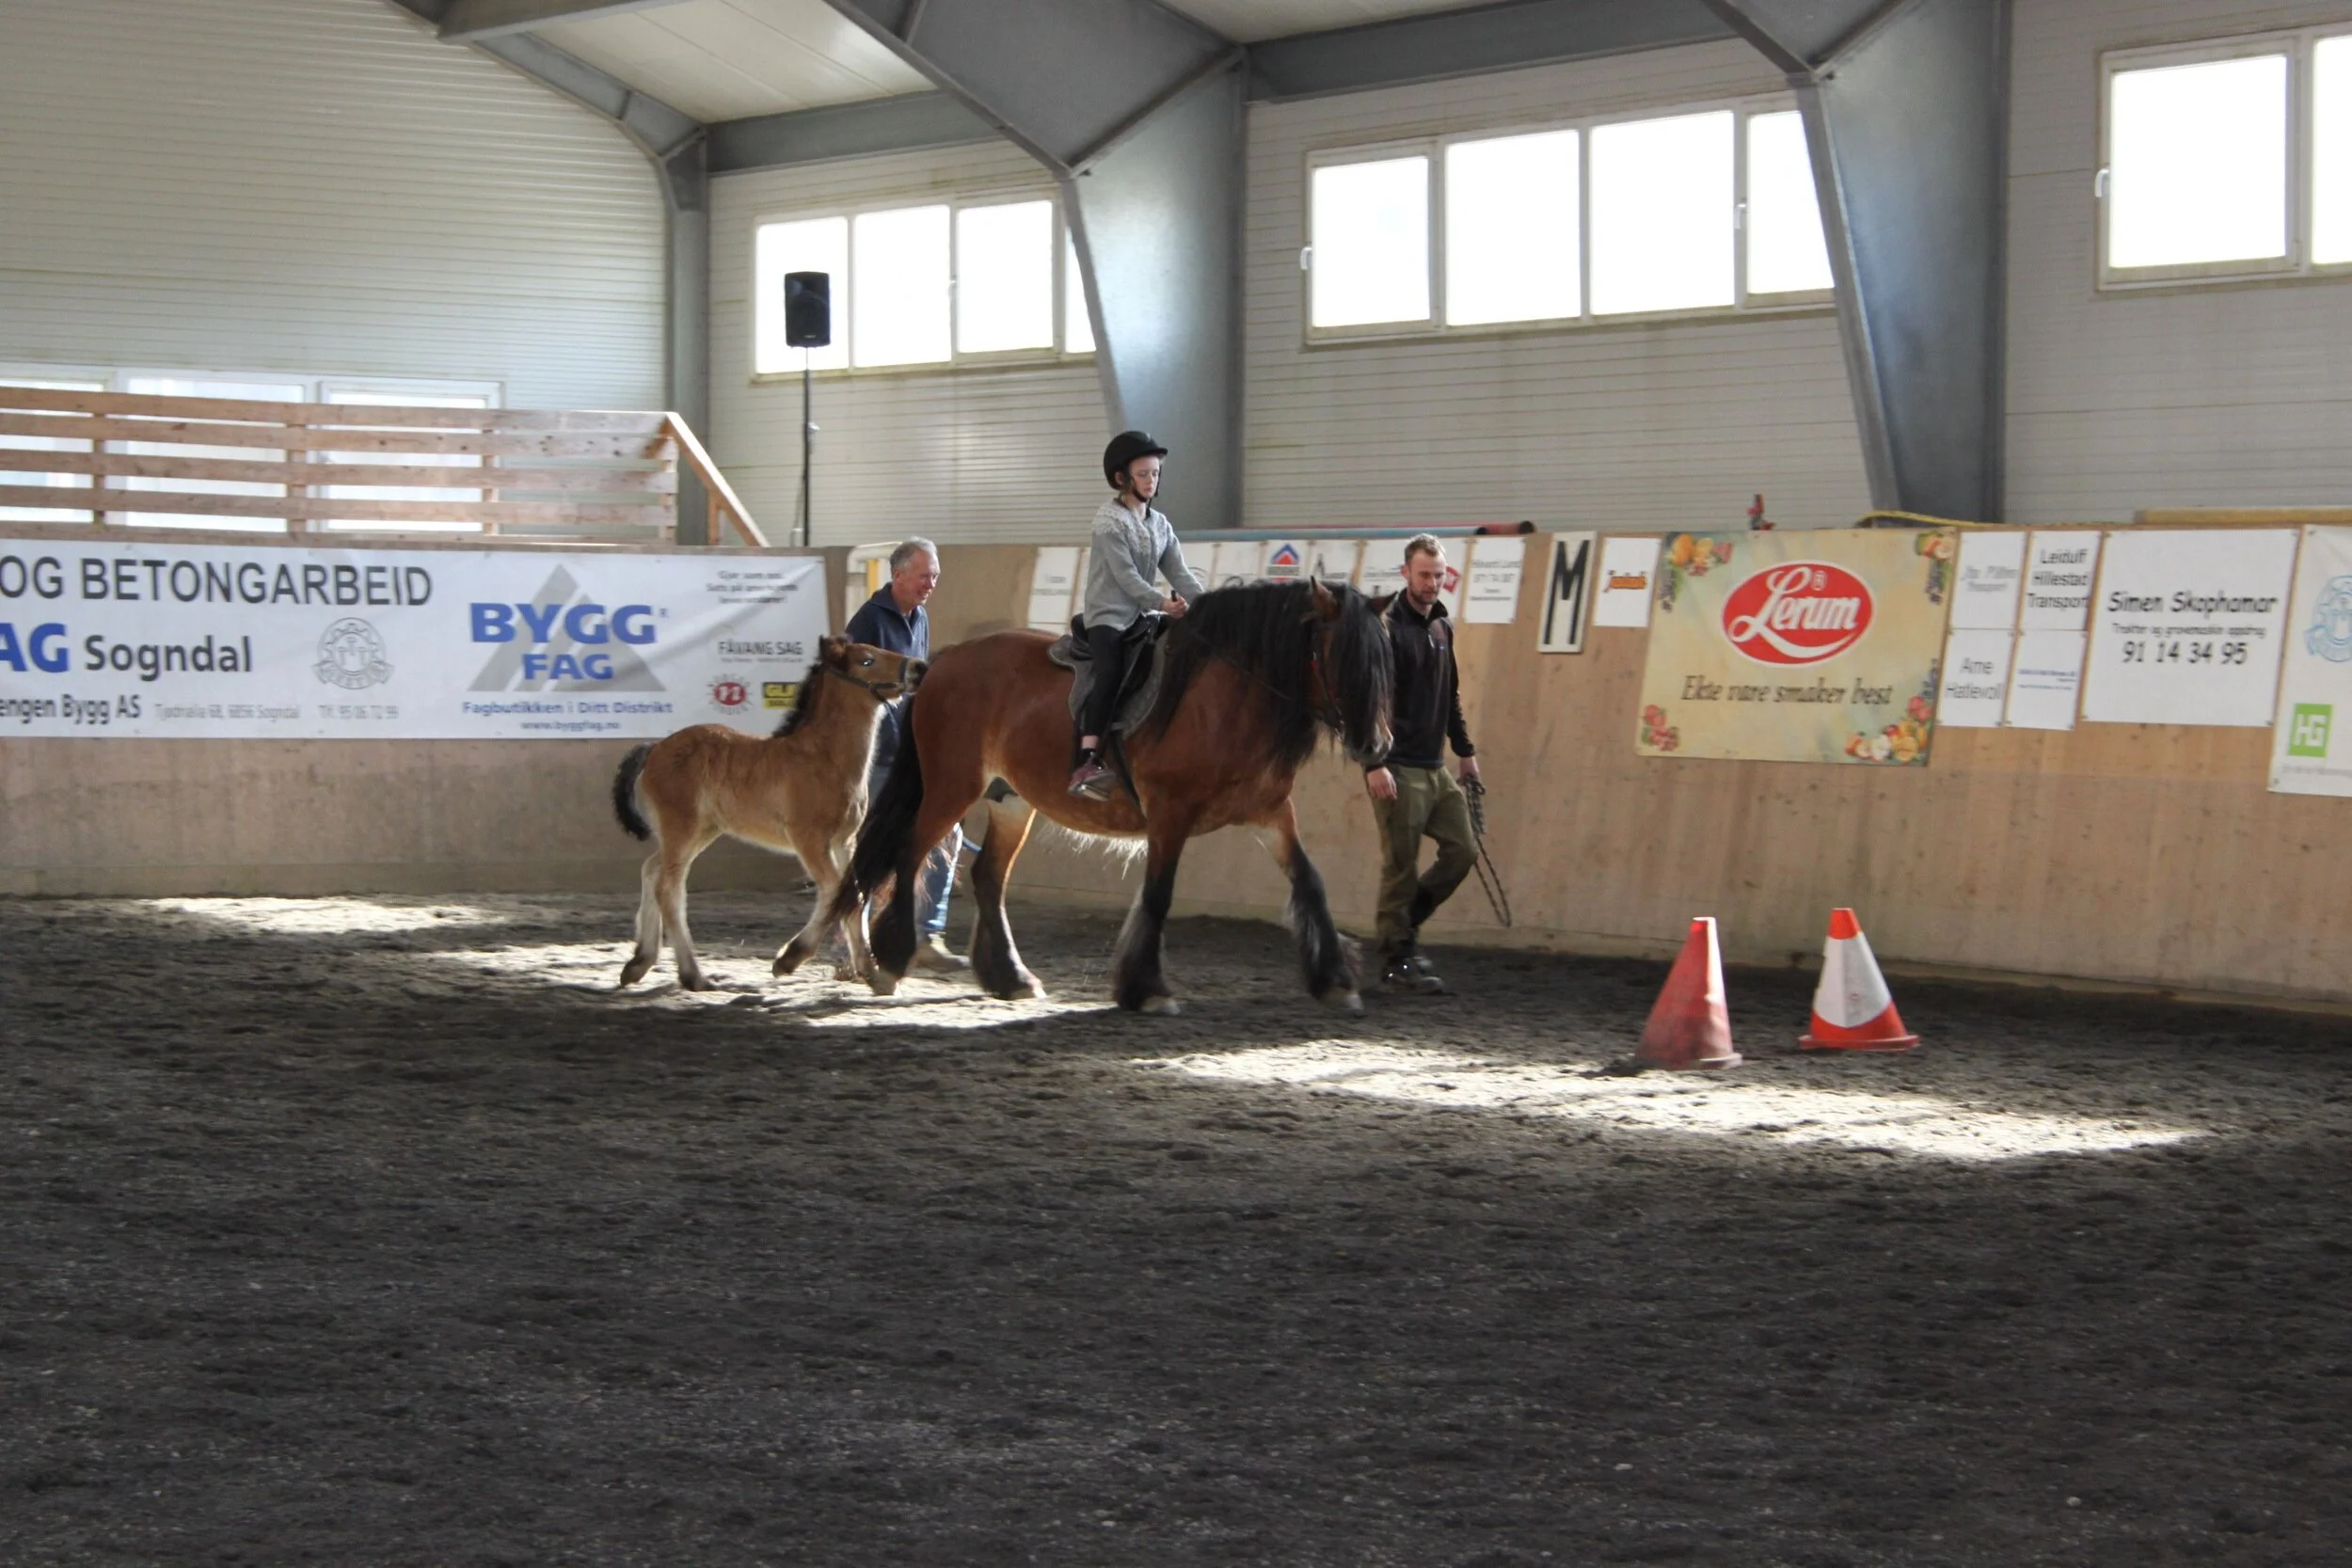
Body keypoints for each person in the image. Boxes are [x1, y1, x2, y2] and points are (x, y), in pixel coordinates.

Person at [1365, 534, 1481, 994]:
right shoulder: (1387, 629)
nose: (1432, 583)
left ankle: (1404, 928)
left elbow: (1449, 695)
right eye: (1424, 575)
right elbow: (1370, 703)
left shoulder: (1441, 627)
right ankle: (1396, 959)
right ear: (1406, 574)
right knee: (1401, 865)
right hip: (1397, 765)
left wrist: (1465, 753)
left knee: (1463, 850)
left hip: (1435, 767)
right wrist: (1374, 764)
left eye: (1438, 575)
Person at [844, 537, 965, 971]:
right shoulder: (868, 623)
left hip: (909, 753)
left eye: (934, 576)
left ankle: (926, 933)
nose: (931, 583)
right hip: (878, 757)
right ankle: (864, 944)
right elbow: (854, 693)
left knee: (946, 833)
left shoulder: (920, 618)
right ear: (897, 576)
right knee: (882, 846)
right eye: (924, 575)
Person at [1068, 430, 1208, 800]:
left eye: (1156, 474)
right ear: (1122, 478)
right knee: (1110, 671)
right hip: (1108, 617)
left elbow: (1179, 572)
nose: (1151, 481)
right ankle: (1086, 759)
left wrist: (1211, 605)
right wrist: (1161, 603)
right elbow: (1125, 576)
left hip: (1142, 616)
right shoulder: (1108, 521)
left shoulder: (1160, 524)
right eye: (1143, 474)